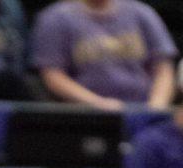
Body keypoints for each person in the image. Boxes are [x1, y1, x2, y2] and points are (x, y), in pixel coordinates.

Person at [30, 0, 177, 111]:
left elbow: (164, 68)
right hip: (85, 113)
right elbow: (53, 75)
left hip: (144, 109)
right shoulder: (55, 18)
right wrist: (98, 104)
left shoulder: (142, 13)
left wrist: (155, 106)